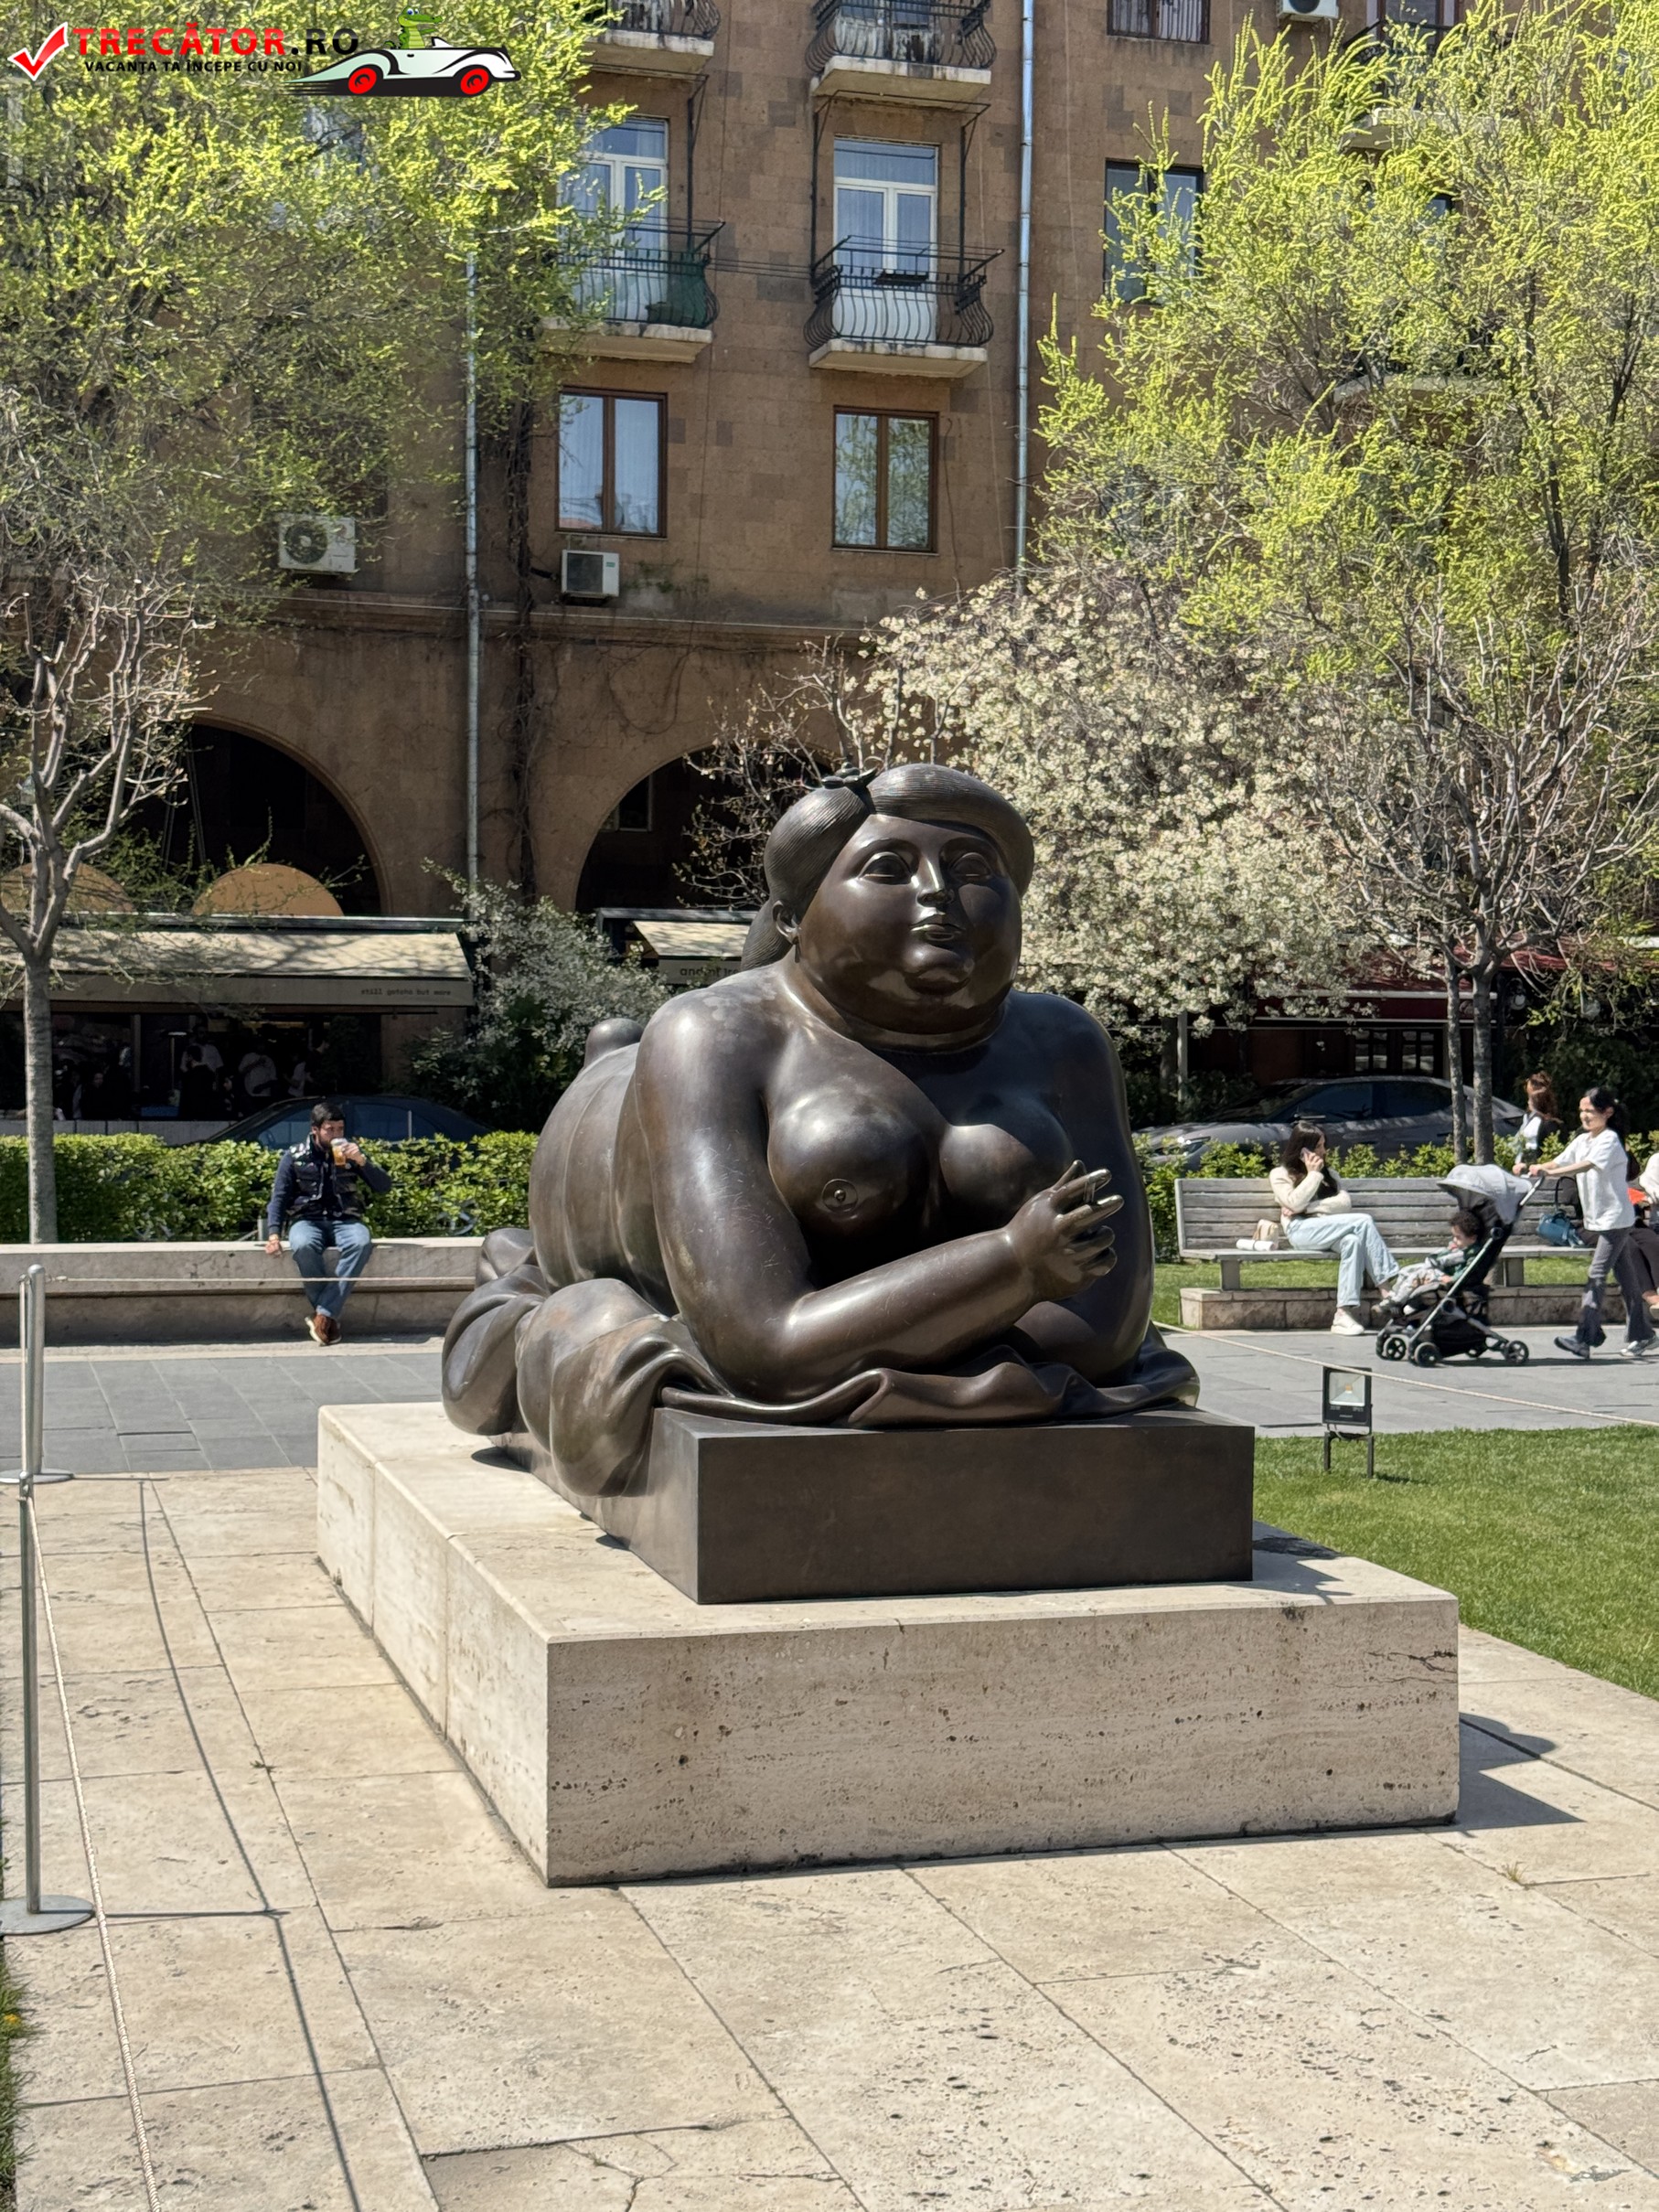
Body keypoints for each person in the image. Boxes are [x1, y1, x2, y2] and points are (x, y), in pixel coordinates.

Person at [441, 763, 1196, 1496]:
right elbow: (764, 1345)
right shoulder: (711, 1036)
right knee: (554, 1301)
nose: (940, 892)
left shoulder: (1065, 1041)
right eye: (888, 868)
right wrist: (1012, 1265)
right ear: (792, 916)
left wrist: (873, 1334)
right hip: (590, 1150)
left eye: (973, 867)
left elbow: (1106, 1334)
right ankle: (520, 1260)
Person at [1526, 1086, 1656, 1362]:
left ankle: (1584, 1337)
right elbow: (1560, 1161)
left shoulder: (1609, 1140)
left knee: (1596, 1275)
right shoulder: (1583, 1139)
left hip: (1615, 1220)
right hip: (1599, 1220)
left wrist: (1549, 1173)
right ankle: (1643, 1333)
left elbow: (1584, 1166)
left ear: (1607, 1113)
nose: (1584, 1116)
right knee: (1628, 1280)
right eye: (1582, 1111)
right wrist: (1536, 1167)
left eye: (1590, 1111)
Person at [263, 1100, 392, 1345]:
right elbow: (279, 1198)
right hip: (307, 1219)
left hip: (345, 1219)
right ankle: (327, 1317)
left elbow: (384, 1186)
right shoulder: (294, 1156)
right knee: (303, 1245)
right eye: (330, 1129)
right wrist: (273, 1234)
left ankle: (323, 1314)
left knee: (361, 1242)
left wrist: (362, 1161)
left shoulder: (351, 1153)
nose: (336, 1135)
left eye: (340, 1129)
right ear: (315, 1130)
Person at [1268, 1120, 1400, 1335]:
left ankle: (1342, 1314)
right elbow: (1293, 1202)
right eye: (1318, 1146)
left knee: (1352, 1242)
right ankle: (1387, 1290)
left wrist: (1308, 1208)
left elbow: (1344, 1204)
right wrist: (1313, 1175)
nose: (1324, 1150)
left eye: (1323, 1145)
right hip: (1301, 1231)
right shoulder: (1280, 1174)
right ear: (1303, 1150)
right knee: (1363, 1221)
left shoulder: (1330, 1174)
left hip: (1330, 1230)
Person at [1515, 1073, 1563, 1166]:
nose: (1528, 1102)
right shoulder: (1527, 1118)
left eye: (1531, 1098)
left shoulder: (1549, 1123)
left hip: (1538, 1163)